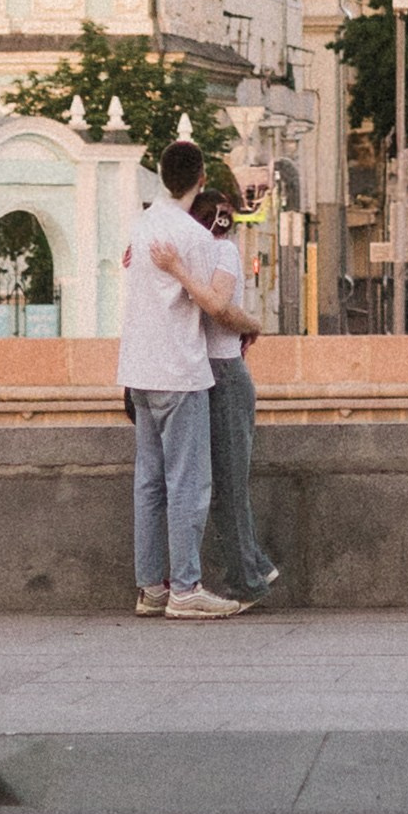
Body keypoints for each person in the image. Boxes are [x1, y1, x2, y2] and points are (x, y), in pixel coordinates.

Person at [118, 137, 262, 621]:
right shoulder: (195, 238)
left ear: (161, 176)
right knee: (189, 483)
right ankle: (185, 587)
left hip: (138, 371)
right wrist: (253, 326)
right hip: (180, 372)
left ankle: (150, 588)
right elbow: (216, 306)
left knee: (149, 483)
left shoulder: (141, 228)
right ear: (201, 179)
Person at [189, 185, 280, 601]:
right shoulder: (202, 252)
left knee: (227, 483)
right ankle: (256, 565)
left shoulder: (220, 251)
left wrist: (253, 325)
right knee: (224, 482)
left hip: (223, 373)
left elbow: (220, 308)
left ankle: (248, 577)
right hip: (210, 373)